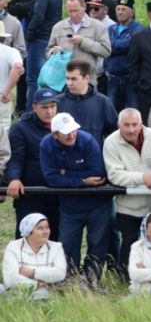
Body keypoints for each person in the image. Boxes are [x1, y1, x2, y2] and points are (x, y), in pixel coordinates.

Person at [39, 112, 108, 285]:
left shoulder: (87, 140)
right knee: (68, 247)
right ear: (55, 135)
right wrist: (83, 181)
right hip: (69, 206)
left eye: (73, 130)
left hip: (98, 204)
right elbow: (51, 179)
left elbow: (98, 174)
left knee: (97, 245)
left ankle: (92, 282)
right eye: (66, 132)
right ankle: (69, 283)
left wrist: (65, 173)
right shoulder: (46, 145)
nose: (72, 135)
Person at [103, 108, 151, 275]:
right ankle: (125, 279)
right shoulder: (111, 143)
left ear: (141, 124)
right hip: (128, 207)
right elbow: (114, 175)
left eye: (135, 124)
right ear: (119, 125)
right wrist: (142, 178)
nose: (131, 129)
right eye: (126, 125)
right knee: (130, 245)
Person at [7, 89, 59, 240]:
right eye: (44, 107)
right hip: (31, 195)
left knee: (55, 240)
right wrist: (14, 178)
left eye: (52, 106)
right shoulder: (21, 128)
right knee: (28, 239)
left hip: (60, 193)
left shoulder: (65, 126)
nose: (49, 111)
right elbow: (16, 158)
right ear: (34, 107)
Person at [23, 0, 64, 105]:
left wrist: (28, 34)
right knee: (47, 79)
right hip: (51, 38)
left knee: (34, 79)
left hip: (39, 39)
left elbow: (38, 16)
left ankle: (30, 112)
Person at [2, 214, 67, 300]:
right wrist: (36, 284)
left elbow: (60, 273)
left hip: (46, 293)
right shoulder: (13, 247)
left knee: (44, 295)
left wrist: (32, 273)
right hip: (17, 292)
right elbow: (10, 278)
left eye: (47, 228)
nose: (45, 232)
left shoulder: (56, 247)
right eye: (40, 228)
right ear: (28, 232)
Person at [46, 0, 111, 75]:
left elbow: (106, 52)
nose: (73, 14)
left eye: (76, 10)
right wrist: (52, 52)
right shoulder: (58, 27)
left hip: (87, 78)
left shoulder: (97, 26)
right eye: (70, 11)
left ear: (84, 7)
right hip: (62, 79)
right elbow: (47, 52)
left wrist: (83, 42)